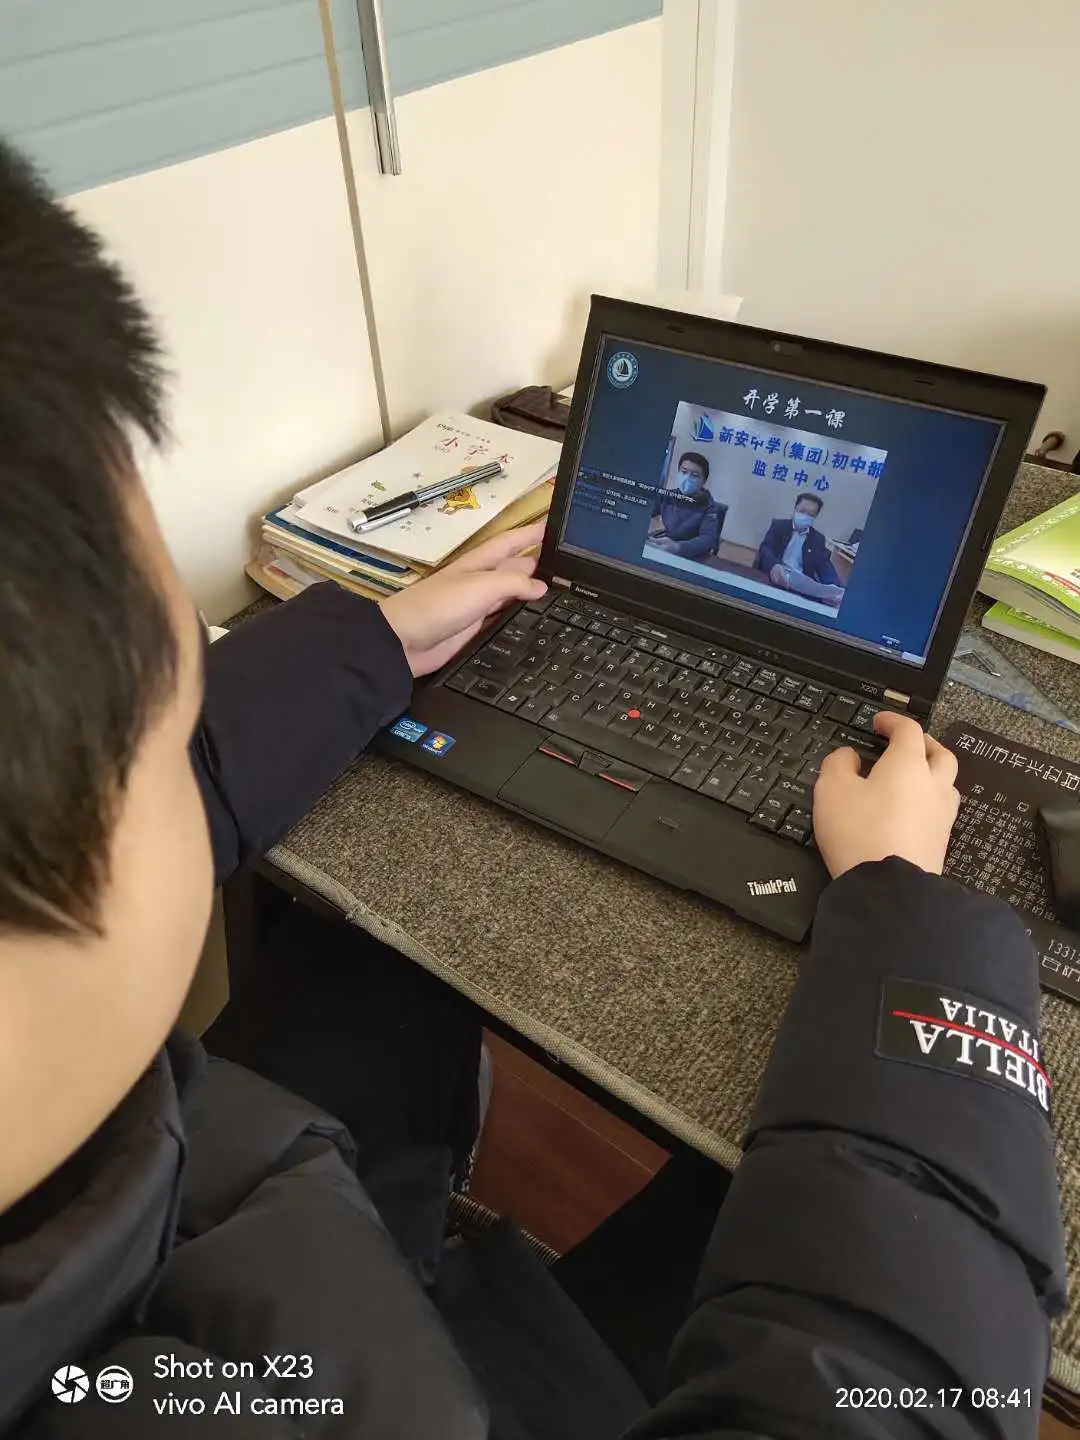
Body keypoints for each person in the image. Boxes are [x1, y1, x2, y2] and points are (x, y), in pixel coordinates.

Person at [0, 138, 1066, 1440]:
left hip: (217, 1213)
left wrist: (364, 642)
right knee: (735, 1171)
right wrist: (909, 913)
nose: (185, 720)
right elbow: (905, 1401)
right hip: (410, 1355)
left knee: (362, 956)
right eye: (166, 693)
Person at [758, 492, 845, 605]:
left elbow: (824, 565)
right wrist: (774, 566)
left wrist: (834, 587)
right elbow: (765, 549)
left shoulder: (817, 539)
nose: (805, 516)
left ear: (815, 517)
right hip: (775, 578)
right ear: (795, 509)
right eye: (802, 511)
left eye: (810, 514)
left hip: (800, 589)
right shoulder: (779, 526)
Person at [647, 451, 723, 559]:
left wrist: (678, 547)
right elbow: (644, 511)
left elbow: (708, 539)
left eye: (695, 475)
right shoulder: (667, 496)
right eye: (684, 472)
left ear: (704, 481)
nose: (687, 478)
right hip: (665, 545)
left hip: (690, 554)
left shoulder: (709, 506)